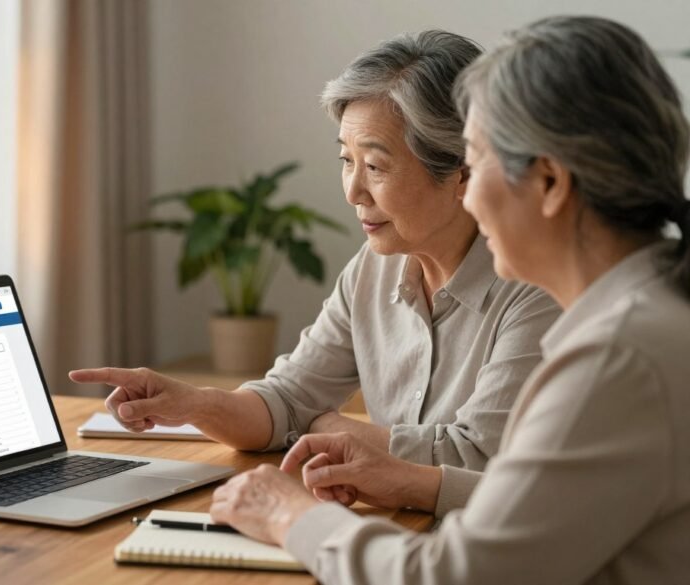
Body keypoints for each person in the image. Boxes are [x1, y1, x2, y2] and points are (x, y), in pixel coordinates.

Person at [209, 16, 690, 584]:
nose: (470, 194)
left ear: (550, 184)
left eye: (477, 163)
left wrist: (291, 515)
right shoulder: (649, 315)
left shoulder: (616, 358)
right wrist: (414, 479)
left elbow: (456, 576)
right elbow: (557, 509)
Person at [70, 31, 560, 475]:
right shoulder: (372, 270)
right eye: (346, 161)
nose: (353, 191)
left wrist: (334, 430)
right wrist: (194, 403)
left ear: (462, 173)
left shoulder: (536, 288)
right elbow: (286, 401)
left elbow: (477, 459)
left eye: (375, 166)